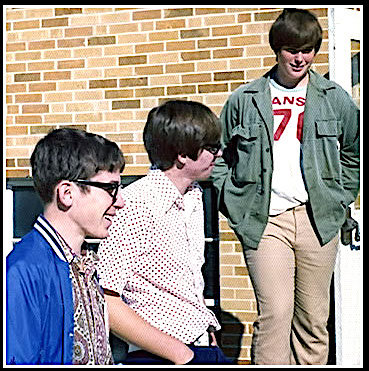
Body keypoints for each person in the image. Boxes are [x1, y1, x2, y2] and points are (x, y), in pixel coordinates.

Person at [211, 8, 360, 365]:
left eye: (307, 49)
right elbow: (217, 158)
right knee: (275, 315)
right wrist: (234, 203)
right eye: (292, 49)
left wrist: (340, 201)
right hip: (265, 222)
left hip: (317, 220)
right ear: (277, 49)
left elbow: (354, 154)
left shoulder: (333, 98)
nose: (300, 58)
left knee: (313, 320)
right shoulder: (245, 99)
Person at [97, 100, 232, 364]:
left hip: (201, 346)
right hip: (160, 357)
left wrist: (206, 336)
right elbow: (106, 298)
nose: (219, 155)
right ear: (183, 154)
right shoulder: (135, 204)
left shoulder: (194, 197)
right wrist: (181, 355)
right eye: (212, 148)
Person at [6, 128, 125, 365]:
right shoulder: (22, 273)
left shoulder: (84, 263)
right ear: (67, 194)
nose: (120, 201)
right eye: (111, 189)